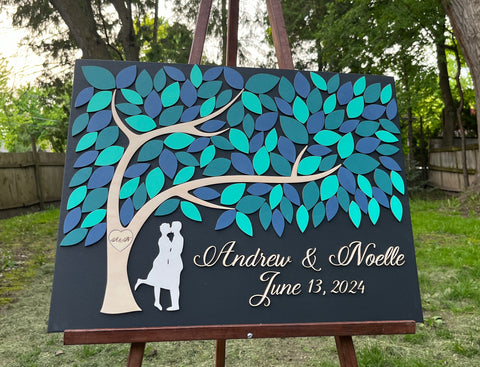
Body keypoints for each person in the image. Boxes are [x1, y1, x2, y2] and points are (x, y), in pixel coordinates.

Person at [134, 221, 184, 311]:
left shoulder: (178, 238)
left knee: (170, 284)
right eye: (170, 227)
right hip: (163, 261)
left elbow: (174, 252)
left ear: (177, 228)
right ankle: (161, 302)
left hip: (173, 263)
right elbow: (168, 252)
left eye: (172, 226)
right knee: (160, 281)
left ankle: (172, 304)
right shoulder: (165, 239)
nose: (171, 229)